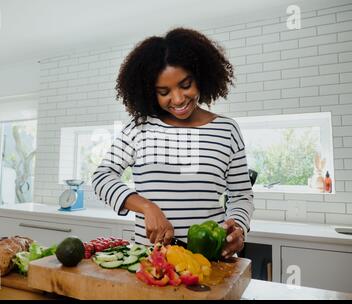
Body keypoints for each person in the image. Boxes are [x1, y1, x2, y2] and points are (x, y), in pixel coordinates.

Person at [92, 28, 254, 259]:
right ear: (150, 92)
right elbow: (102, 176)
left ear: (201, 77)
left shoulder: (227, 129)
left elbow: (241, 195)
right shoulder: (139, 128)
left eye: (186, 84)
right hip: (151, 260)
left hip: (212, 261)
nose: (178, 99)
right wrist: (147, 207)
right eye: (164, 91)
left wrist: (238, 227)